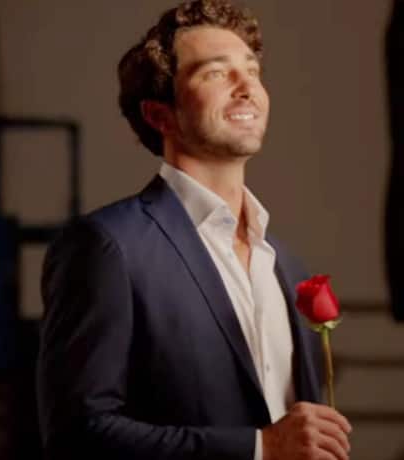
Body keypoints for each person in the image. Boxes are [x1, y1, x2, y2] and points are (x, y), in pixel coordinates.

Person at [37, 1, 352, 459]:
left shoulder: (284, 264)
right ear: (160, 115)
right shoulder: (108, 248)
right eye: (216, 74)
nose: (247, 88)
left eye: (252, 71)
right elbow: (77, 435)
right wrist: (259, 448)